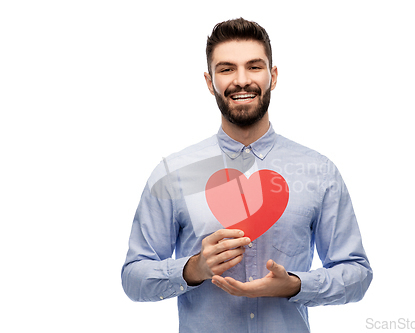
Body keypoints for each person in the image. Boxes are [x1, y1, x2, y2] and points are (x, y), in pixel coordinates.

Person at [122, 18, 372, 332]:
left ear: (273, 75)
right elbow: (133, 279)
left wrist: (295, 285)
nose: (242, 80)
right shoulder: (174, 174)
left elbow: (357, 275)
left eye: (254, 67)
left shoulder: (318, 171)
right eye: (226, 69)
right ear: (209, 81)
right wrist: (192, 268)